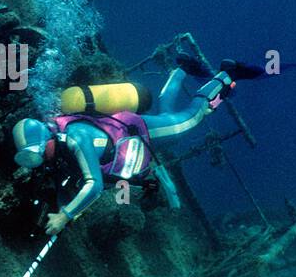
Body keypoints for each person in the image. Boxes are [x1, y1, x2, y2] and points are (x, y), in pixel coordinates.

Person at [12, 61, 235, 235]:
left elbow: (95, 185)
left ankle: (225, 76)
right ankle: (180, 71)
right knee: (169, 119)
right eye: (30, 158)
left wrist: (65, 216)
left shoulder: (75, 138)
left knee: (189, 120)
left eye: (37, 154)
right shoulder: (55, 148)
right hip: (130, 143)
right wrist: (65, 208)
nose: (38, 160)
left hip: (140, 133)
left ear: (46, 140)